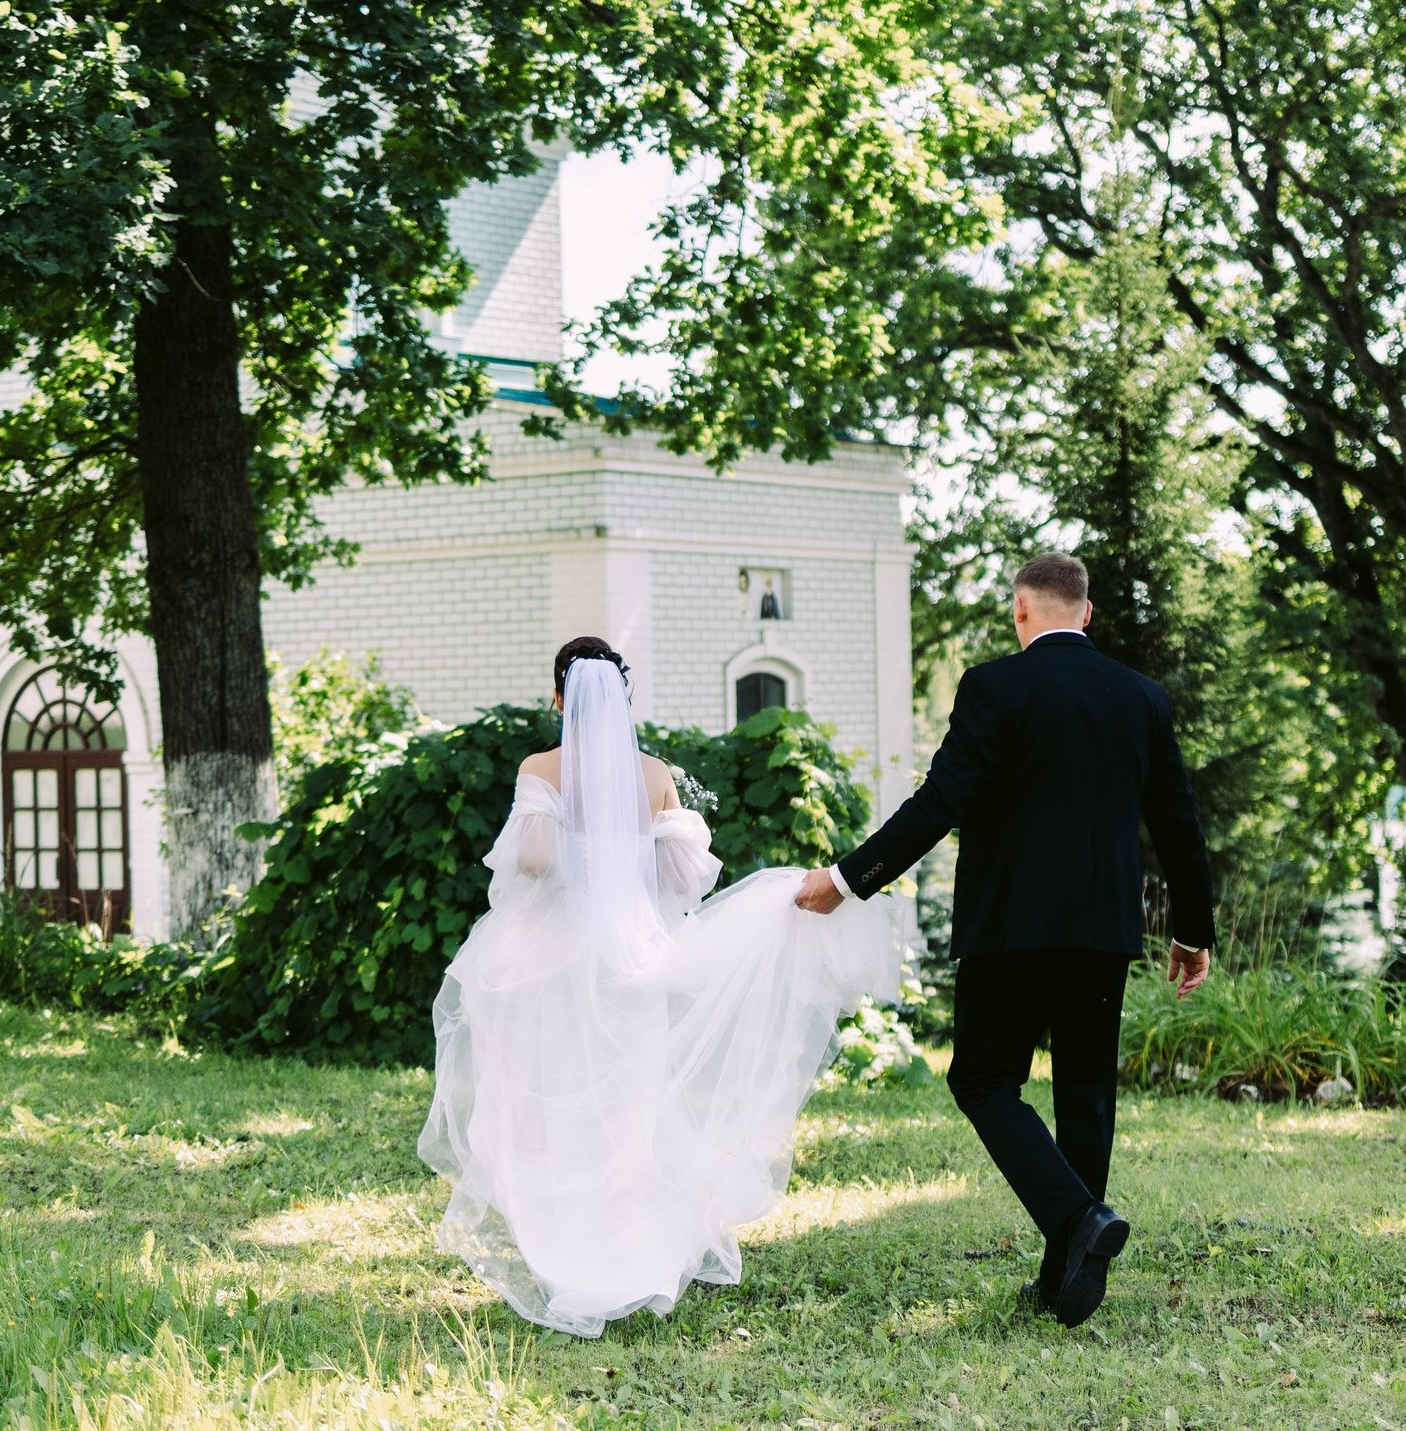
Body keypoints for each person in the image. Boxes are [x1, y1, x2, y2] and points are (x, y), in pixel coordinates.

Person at [419, 636, 897, 1337]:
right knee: (629, 1109)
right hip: (634, 964)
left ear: (559, 698)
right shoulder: (655, 775)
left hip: (550, 961)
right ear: (623, 698)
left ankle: (569, 1262)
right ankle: (633, 1259)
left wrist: (552, 824)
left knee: (555, 1111)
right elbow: (682, 880)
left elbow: (532, 859)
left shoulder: (540, 768)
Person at [795, 552, 1215, 1328]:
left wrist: (849, 878)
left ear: (1021, 612)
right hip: (1102, 932)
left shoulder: (994, 686)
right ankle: (1065, 1281)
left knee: (984, 1082)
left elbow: (943, 800)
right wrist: (1192, 930)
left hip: (1011, 929)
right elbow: (1178, 824)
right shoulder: (1141, 697)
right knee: (1085, 1096)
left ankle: (1079, 1225)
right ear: (1084, 613)